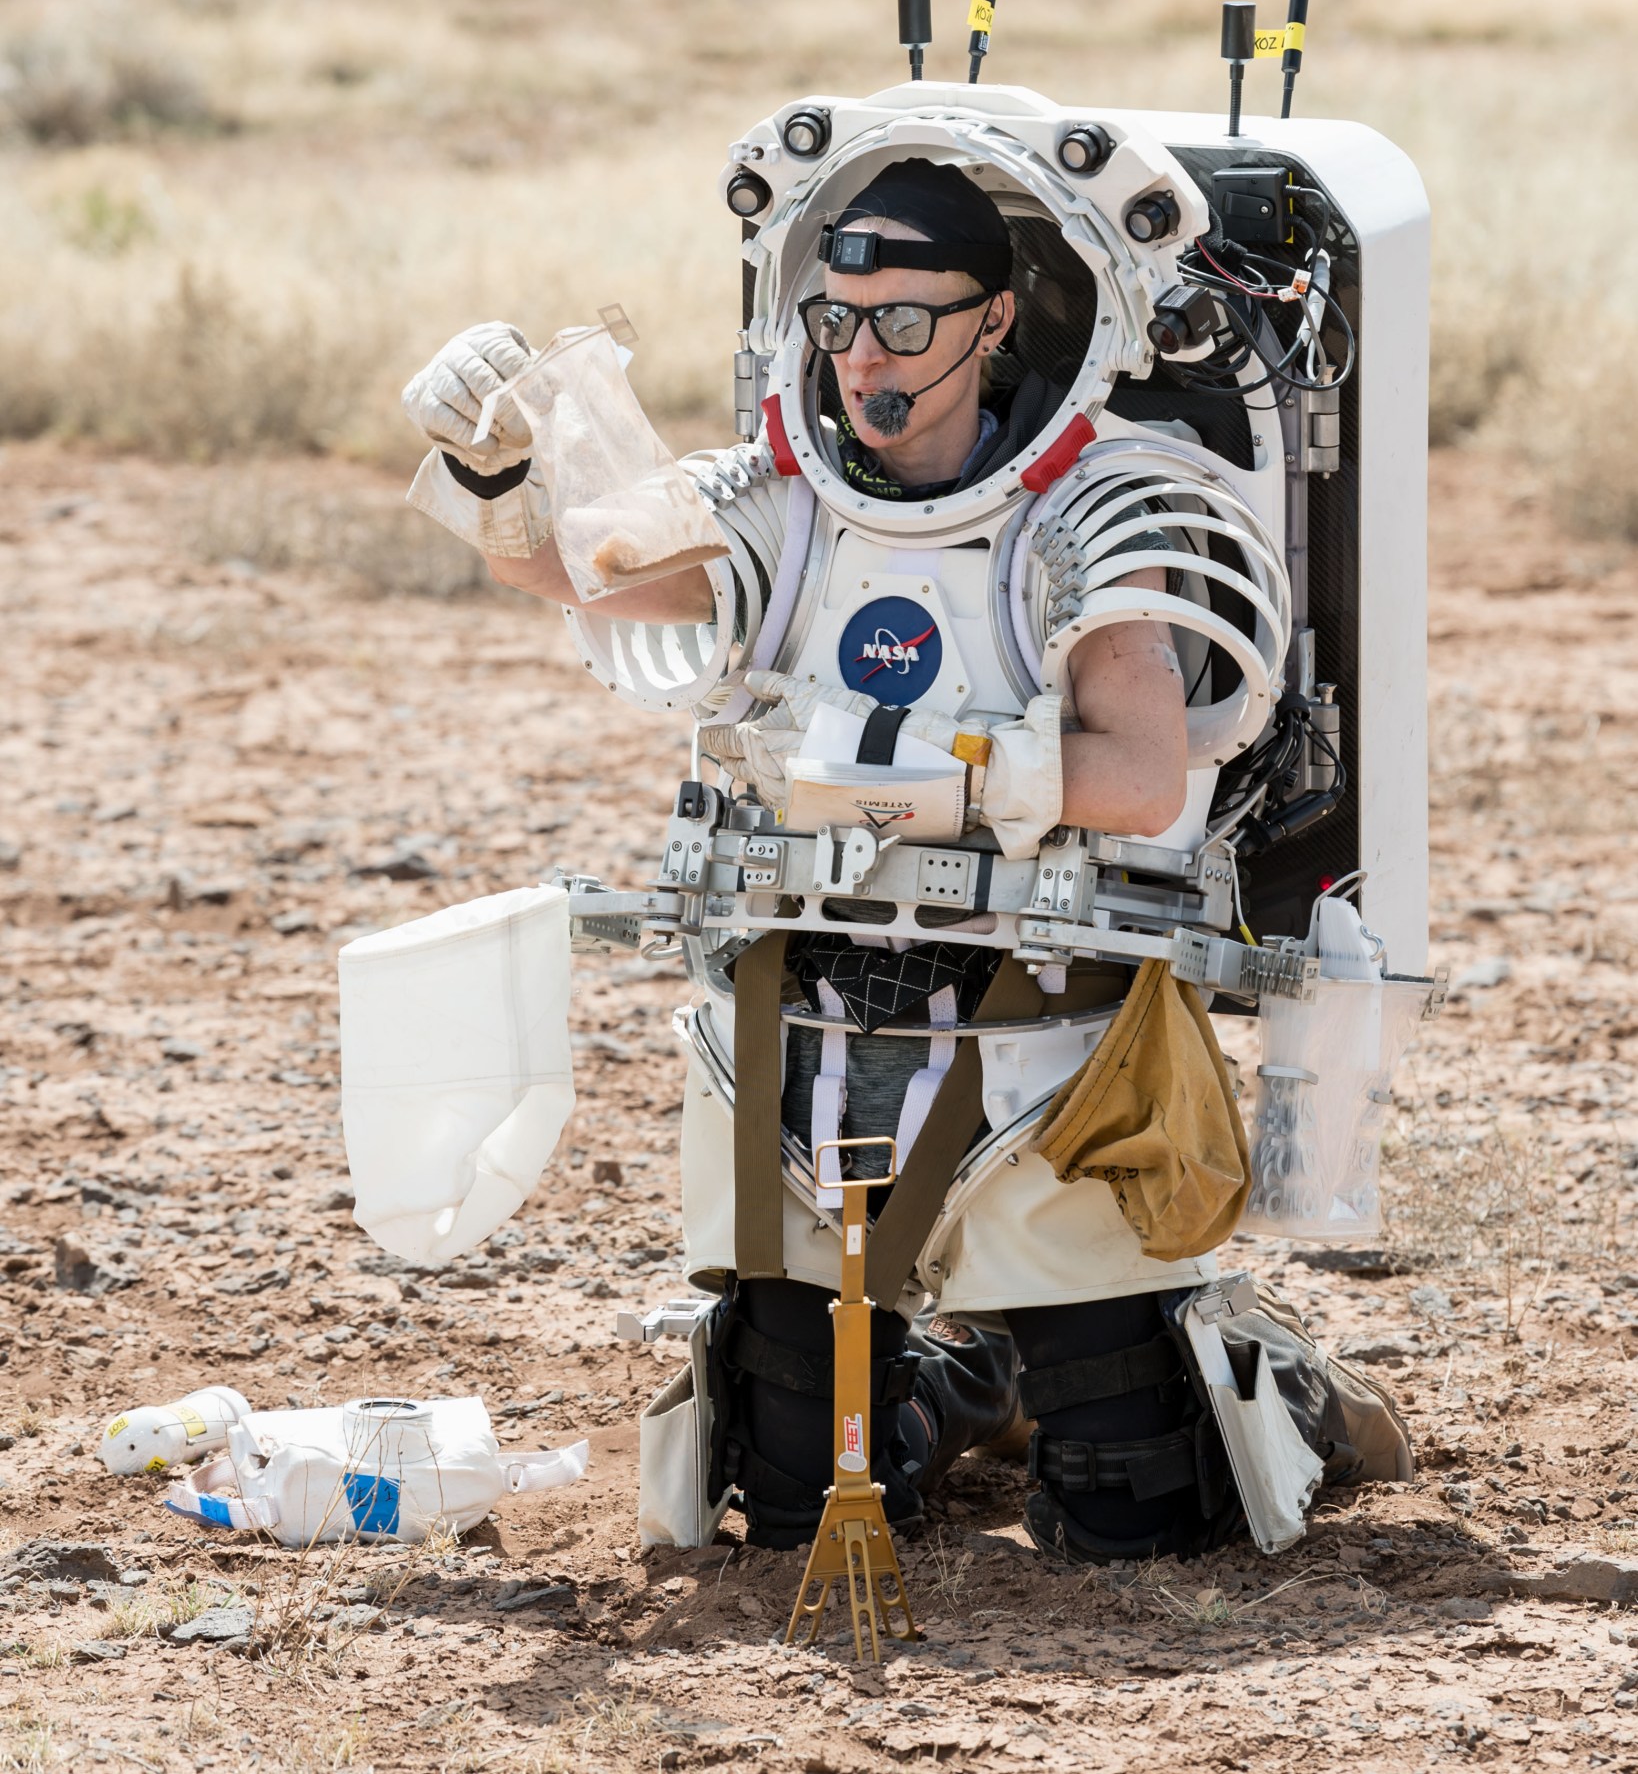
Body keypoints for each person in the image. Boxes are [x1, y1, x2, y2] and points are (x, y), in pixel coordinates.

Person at [400, 158, 1406, 1564]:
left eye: (907, 324)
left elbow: (1137, 775)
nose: (864, 358)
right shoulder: (778, 492)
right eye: (839, 319)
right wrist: (490, 457)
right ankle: (960, 1379)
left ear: (994, 323)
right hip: (796, 1026)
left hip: (1044, 1040)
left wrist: (950, 781)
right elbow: (575, 564)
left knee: (1139, 1512)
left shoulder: (1097, 508)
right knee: (793, 1501)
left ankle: (1290, 1386)